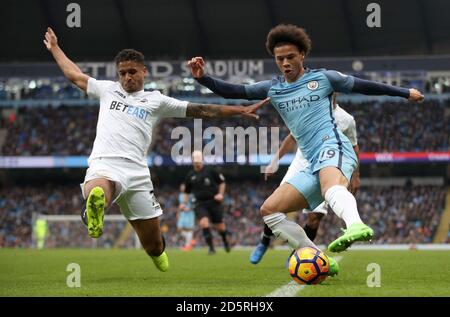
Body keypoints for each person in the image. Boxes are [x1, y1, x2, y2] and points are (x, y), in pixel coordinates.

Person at [187, 24, 424, 257]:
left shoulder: (324, 78)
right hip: (310, 160)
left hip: (333, 145)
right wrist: (202, 78)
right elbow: (234, 91)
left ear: (302, 54)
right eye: (280, 59)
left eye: (290, 57)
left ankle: (356, 225)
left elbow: (365, 86)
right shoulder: (274, 88)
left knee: (331, 187)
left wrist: (404, 92)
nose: (285, 63)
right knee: (269, 210)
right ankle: (314, 255)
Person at [44, 27, 267, 272]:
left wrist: (240, 110)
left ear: (143, 72)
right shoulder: (107, 90)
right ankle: (94, 209)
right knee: (99, 188)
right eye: (122, 73)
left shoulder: (156, 100)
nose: (127, 77)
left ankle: (158, 250)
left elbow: (201, 110)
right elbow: (74, 75)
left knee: (152, 245)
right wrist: (55, 47)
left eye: (132, 72)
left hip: (138, 174)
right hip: (105, 162)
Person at [249, 92, 360, 264]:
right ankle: (264, 241)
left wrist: (356, 175)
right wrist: (274, 161)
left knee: (315, 218)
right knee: (277, 206)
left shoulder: (347, 119)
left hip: (327, 166)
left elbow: (353, 146)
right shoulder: (310, 110)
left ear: (336, 92)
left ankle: (298, 253)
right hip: (301, 163)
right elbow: (292, 137)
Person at [184, 151, 230, 255]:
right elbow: (186, 192)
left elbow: (222, 182)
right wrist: (184, 204)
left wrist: (221, 194)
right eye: (196, 163)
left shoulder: (211, 170)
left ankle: (225, 241)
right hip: (199, 203)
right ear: (192, 161)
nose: (198, 164)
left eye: (199, 162)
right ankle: (211, 248)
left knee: (220, 227)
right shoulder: (190, 175)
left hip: (214, 202)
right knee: (204, 223)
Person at [177, 184, 196, 251]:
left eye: (183, 187)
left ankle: (188, 245)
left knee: (189, 229)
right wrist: (178, 212)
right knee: (179, 228)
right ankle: (191, 241)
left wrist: (189, 208)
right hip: (183, 214)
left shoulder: (191, 195)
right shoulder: (180, 195)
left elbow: (194, 204)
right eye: (181, 187)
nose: (182, 188)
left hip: (189, 213)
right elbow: (180, 205)